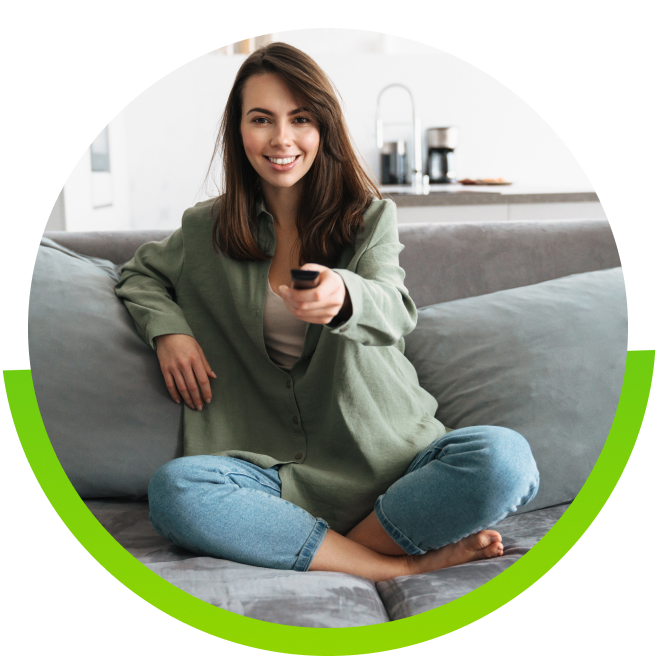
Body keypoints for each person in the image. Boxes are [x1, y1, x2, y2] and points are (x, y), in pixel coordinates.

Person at [115, 42, 539, 583]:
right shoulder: (206, 230)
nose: (281, 139)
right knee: (175, 491)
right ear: (238, 130)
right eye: (261, 119)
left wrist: (343, 294)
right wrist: (169, 331)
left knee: (504, 460)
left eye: (300, 119)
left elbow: (395, 307)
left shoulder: (369, 219)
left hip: (393, 465)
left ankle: (330, 552)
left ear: (324, 129)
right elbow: (138, 273)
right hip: (270, 478)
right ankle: (396, 566)